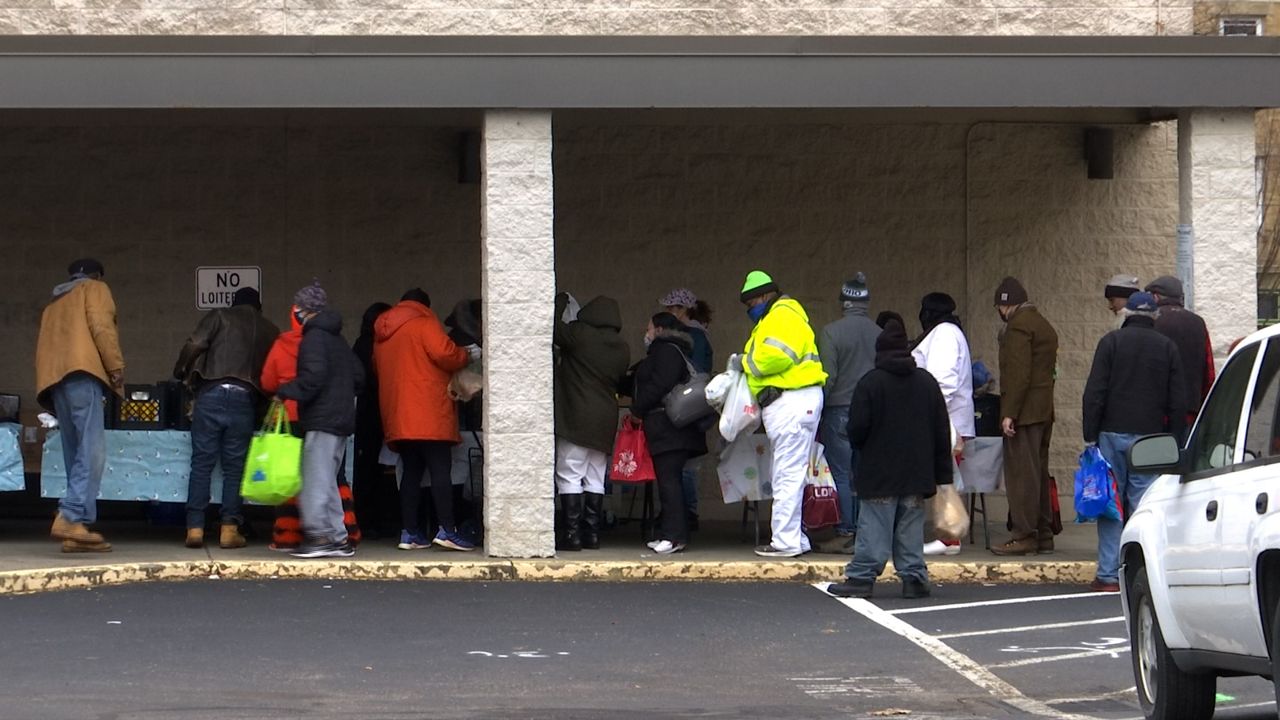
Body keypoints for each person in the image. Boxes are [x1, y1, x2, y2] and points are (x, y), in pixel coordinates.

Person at [828, 320, 952, 599]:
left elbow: (857, 428)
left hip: (879, 472)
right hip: (916, 474)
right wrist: (943, 476)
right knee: (910, 526)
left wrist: (860, 450)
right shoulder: (927, 383)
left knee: (874, 526)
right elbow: (941, 430)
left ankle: (861, 577)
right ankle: (914, 578)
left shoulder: (871, 383)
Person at [1082, 292, 1186, 592]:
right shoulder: (1167, 347)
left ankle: (1108, 576)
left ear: (1125, 314)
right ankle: (1143, 573)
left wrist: (1091, 434)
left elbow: (1095, 392)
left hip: (1111, 433)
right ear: (1154, 316)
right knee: (1143, 507)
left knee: (1110, 504)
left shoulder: (1110, 342)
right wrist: (1175, 443)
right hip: (1151, 438)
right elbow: (1177, 401)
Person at [173, 286, 279, 549]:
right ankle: (229, 529)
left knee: (202, 463)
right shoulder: (270, 330)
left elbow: (195, 343)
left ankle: (195, 528)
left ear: (233, 303)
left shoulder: (220, 315)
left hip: (211, 393)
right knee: (234, 469)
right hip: (245, 399)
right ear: (259, 307)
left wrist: (181, 369)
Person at [732, 271, 827, 558]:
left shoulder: (781, 317)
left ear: (762, 297)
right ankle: (795, 538)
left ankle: (785, 541)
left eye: (750, 304)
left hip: (791, 401)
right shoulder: (780, 317)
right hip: (795, 402)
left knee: (787, 474)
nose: (750, 310)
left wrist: (743, 362)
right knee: (790, 472)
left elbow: (774, 356)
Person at [375, 288, 477, 551]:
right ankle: (447, 530)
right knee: (440, 471)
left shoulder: (382, 332)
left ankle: (410, 533)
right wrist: (466, 355)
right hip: (429, 412)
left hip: (399, 414)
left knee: (411, 473)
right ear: (425, 305)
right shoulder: (424, 323)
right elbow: (446, 355)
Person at [35, 258, 124, 553]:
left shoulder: (54, 304)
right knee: (92, 450)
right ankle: (71, 515)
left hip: (56, 382)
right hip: (82, 376)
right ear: (97, 275)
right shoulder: (94, 289)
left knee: (75, 453)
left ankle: (78, 528)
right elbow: (102, 327)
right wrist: (115, 368)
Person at [261, 300, 362, 551]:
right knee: (331, 478)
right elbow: (359, 377)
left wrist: (284, 391)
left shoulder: (306, 340)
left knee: (309, 479)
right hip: (339, 417)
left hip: (308, 418)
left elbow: (275, 380)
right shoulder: (338, 340)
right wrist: (341, 395)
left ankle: (317, 537)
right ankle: (340, 536)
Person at [553, 292, 630, 551]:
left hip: (576, 416)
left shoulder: (581, 335)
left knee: (569, 473)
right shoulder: (622, 347)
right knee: (595, 476)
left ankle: (572, 536)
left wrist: (560, 301)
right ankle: (592, 535)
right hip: (605, 418)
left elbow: (552, 330)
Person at [990, 277, 1059, 556]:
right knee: (1038, 473)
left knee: (1022, 476)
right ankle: (1043, 534)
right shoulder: (1042, 324)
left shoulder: (1018, 327)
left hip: (1025, 414)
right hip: (1043, 411)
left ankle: (1023, 535)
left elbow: (1019, 375)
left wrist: (1009, 414)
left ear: (1005, 305)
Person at [631, 313, 708, 555]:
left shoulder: (666, 351)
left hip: (668, 429)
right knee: (670, 481)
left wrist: (637, 408)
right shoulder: (678, 351)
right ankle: (672, 534)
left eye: (649, 327)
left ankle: (674, 537)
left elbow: (659, 384)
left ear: (660, 329)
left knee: (669, 482)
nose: (647, 333)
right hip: (675, 430)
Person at [814, 273, 879, 554]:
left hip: (840, 409)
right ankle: (868, 529)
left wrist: (820, 410)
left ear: (844, 303)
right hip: (872, 411)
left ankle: (845, 531)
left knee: (840, 473)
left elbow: (828, 378)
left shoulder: (831, 332)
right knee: (864, 472)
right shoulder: (879, 333)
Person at [912, 292, 974, 557]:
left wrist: (931, 416)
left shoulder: (944, 335)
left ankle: (950, 537)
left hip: (946, 420)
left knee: (945, 479)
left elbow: (941, 382)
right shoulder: (948, 332)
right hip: (949, 418)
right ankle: (949, 535)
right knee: (946, 479)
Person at [658, 288, 714, 532]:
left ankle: (687, 512)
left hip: (689, 404)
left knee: (688, 463)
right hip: (687, 403)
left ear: (685, 310)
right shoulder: (696, 335)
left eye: (674, 308)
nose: (671, 313)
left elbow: (697, 370)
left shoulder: (695, 336)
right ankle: (680, 511)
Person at [352, 301, 396, 539]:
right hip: (375, 413)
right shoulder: (373, 345)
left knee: (368, 468)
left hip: (367, 414)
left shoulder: (361, 344)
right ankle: (377, 519)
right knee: (380, 469)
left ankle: (368, 518)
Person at [1145, 275, 1215, 419]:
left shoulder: (1150, 321)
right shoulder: (1198, 323)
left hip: (1156, 412)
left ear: (1156, 297)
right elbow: (1208, 371)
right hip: (1189, 410)